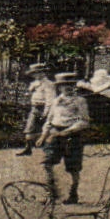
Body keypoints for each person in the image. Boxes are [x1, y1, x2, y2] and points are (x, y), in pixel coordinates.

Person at [39, 73, 91, 203]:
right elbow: (49, 120)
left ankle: (73, 194)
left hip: (72, 135)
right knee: (47, 163)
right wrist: (43, 135)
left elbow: (84, 121)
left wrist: (67, 131)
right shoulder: (56, 101)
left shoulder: (80, 101)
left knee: (73, 167)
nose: (67, 88)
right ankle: (51, 193)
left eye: (70, 85)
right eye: (64, 85)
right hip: (55, 133)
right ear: (59, 87)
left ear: (74, 86)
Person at [16, 62, 53, 156]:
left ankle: (50, 150)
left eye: (36, 73)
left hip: (43, 107)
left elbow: (50, 99)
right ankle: (28, 148)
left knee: (46, 129)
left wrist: (46, 112)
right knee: (29, 128)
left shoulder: (48, 84)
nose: (34, 75)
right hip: (35, 107)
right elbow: (30, 90)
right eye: (33, 73)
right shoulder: (36, 83)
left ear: (42, 73)